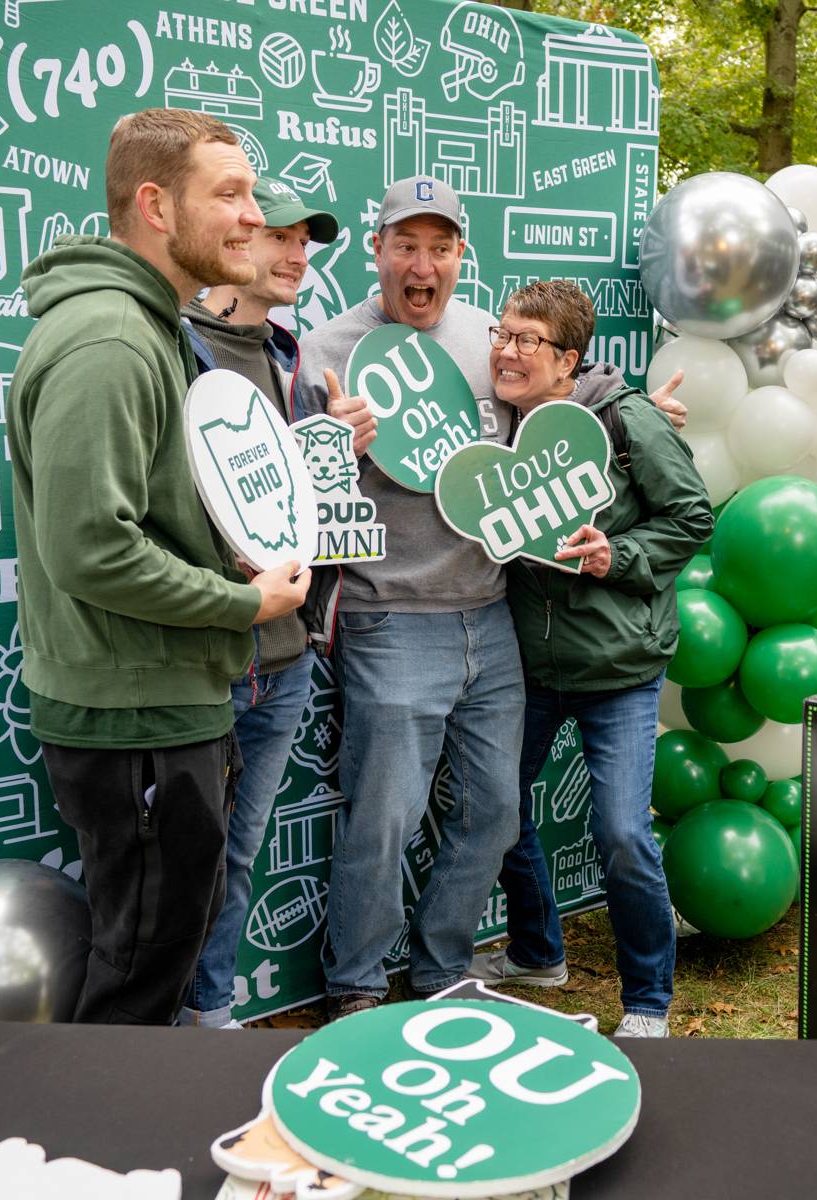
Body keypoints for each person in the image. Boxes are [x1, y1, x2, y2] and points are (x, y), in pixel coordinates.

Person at [7, 109, 310, 1026]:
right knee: (138, 980)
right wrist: (241, 602)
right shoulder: (109, 341)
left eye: (253, 193)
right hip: (133, 715)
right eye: (231, 193)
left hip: (164, 700)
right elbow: (91, 546)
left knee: (160, 953)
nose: (255, 217)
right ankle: (102, 1161)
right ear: (154, 206)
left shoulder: (146, 326)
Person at [296, 176, 525, 1018]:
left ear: (461, 255)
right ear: (378, 251)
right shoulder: (328, 350)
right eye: (406, 246)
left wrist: (634, 411)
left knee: (496, 809)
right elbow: (297, 503)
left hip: (489, 612)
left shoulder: (488, 337)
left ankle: (441, 968)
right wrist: (333, 446)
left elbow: (547, 421)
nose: (422, 265)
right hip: (390, 617)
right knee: (384, 820)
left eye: (440, 247)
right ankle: (354, 985)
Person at [466, 280, 714, 1038]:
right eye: (500, 335)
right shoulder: (497, 427)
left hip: (620, 669)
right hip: (533, 667)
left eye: (525, 340)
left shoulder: (626, 416)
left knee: (620, 833)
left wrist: (619, 555)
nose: (506, 351)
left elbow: (692, 516)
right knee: (498, 810)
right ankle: (539, 952)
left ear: (568, 358)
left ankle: (647, 1001)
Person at [176, 177, 340, 1029]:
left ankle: (210, 1012)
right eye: (279, 235)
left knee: (239, 852)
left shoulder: (291, 359)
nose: (295, 254)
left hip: (285, 663)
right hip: (205, 661)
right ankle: (159, 1027)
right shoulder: (173, 349)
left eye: (305, 241)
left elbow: (293, 504)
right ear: (235, 240)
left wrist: (337, 444)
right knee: (180, 857)